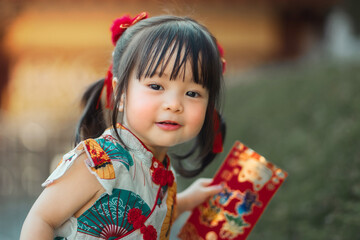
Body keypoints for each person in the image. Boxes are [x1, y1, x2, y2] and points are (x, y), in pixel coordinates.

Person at [20, 12, 226, 240]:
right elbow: (41, 219)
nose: (174, 104)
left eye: (192, 93)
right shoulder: (98, 162)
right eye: (156, 86)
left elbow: (147, 220)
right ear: (121, 92)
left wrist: (186, 201)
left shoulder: (165, 174)